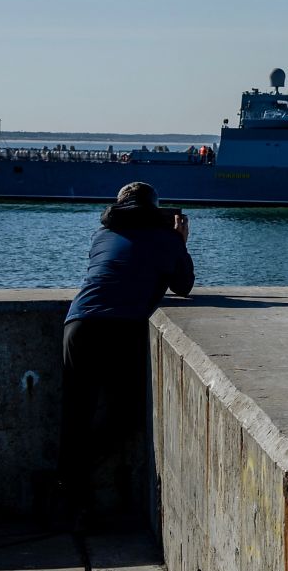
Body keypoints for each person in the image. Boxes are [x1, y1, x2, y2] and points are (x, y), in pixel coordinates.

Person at [60, 182, 195, 525]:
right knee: (127, 415)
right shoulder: (165, 239)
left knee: (77, 414)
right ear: (155, 208)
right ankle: (83, 482)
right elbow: (183, 285)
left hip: (78, 324)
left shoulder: (101, 235)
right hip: (121, 327)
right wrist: (180, 241)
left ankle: (69, 496)